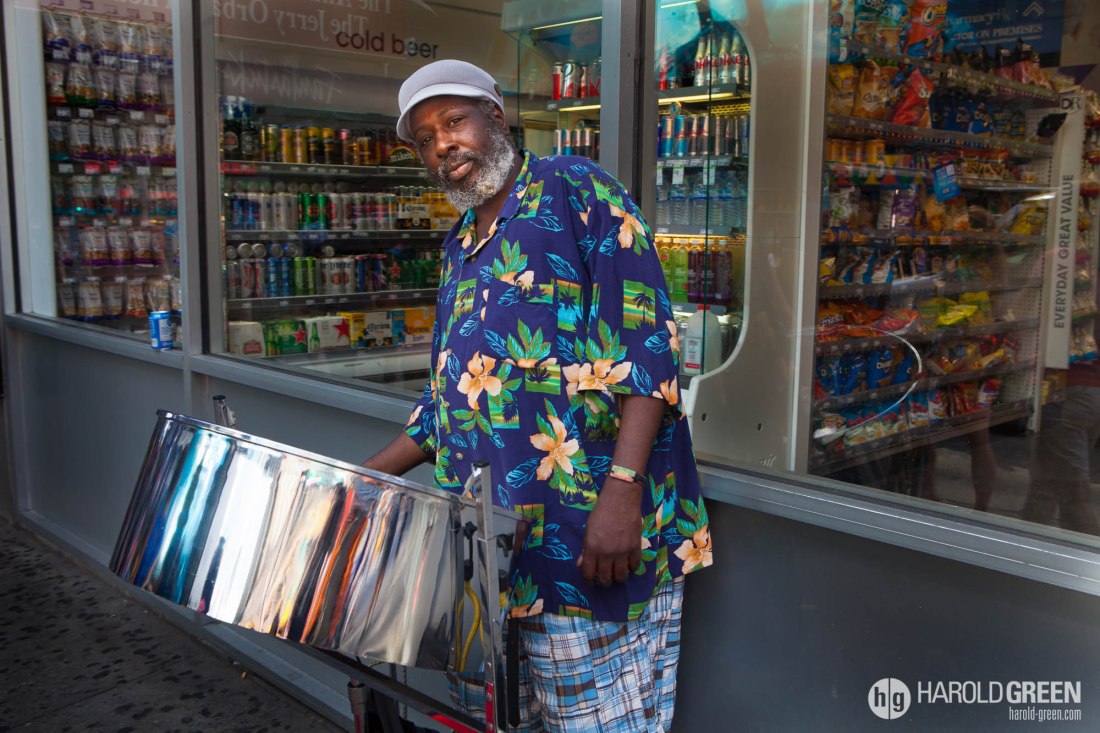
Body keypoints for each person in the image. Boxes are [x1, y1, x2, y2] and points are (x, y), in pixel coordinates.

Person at [362, 59, 712, 732]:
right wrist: (359, 482)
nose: (443, 146)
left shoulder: (575, 189)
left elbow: (650, 349)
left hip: (590, 544)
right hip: (493, 559)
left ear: (496, 115)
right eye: (426, 138)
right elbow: (447, 403)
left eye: (454, 121)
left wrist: (622, 489)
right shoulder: (459, 248)